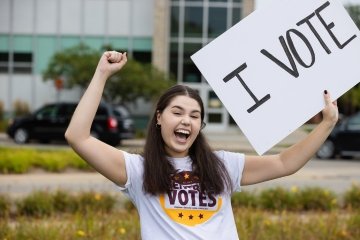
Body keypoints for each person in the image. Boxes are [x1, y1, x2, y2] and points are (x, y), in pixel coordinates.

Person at [65, 51, 339, 239]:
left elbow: (284, 163)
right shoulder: (138, 170)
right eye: (178, 112)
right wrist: (102, 74)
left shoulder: (222, 165)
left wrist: (326, 123)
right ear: (159, 118)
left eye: (195, 116)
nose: (187, 121)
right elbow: (78, 137)